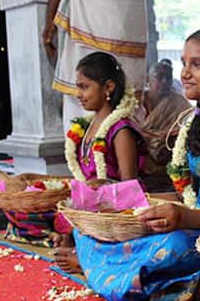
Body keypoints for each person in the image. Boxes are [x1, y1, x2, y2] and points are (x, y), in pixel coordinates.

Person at [67, 28, 200, 301]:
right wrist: (113, 196)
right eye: (184, 63)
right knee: (89, 229)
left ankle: (105, 270)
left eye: (197, 64)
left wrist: (185, 218)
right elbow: (187, 196)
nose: (185, 74)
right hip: (198, 218)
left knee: (173, 244)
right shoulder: (194, 123)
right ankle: (115, 271)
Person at [54, 51, 148, 273]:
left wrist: (103, 186)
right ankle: (77, 240)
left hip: (115, 213)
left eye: (84, 87)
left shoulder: (120, 129)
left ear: (108, 87)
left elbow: (130, 188)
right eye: (78, 87)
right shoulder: (86, 127)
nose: (79, 94)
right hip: (91, 210)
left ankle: (87, 254)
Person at [42, 0, 148, 133]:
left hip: (103, 16)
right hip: (97, 16)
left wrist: (50, 22)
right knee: (83, 100)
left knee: (126, 102)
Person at [139, 59, 191, 189]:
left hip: (166, 167)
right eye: (159, 77)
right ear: (148, 79)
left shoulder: (180, 103)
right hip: (138, 164)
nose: (164, 81)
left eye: (168, 77)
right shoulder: (137, 100)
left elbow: (187, 128)